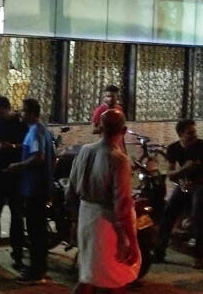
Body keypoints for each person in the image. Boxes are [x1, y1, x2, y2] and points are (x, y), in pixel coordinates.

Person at [67, 109, 140, 293]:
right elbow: (122, 203)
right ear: (123, 131)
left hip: (86, 217)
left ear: (99, 128)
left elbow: (70, 191)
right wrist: (129, 239)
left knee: (89, 277)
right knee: (114, 279)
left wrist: (75, 220)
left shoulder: (85, 151)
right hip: (107, 225)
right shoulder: (118, 159)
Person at [4, 98, 55, 284]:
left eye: (24, 111)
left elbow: (38, 158)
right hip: (39, 187)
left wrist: (17, 166)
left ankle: (36, 271)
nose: (21, 114)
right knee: (38, 231)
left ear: (33, 113)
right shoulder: (42, 131)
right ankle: (40, 268)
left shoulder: (35, 132)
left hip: (35, 189)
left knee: (35, 232)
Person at [155, 119, 203, 268]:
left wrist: (197, 183)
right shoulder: (173, 149)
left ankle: (198, 257)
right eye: (190, 133)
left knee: (197, 214)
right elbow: (170, 174)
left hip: (201, 185)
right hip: (184, 185)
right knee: (168, 211)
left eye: (194, 132)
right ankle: (159, 251)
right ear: (181, 134)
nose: (194, 135)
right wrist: (184, 172)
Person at [0, 96, 28, 269]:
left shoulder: (20, 123)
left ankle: (17, 256)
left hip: (15, 175)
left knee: (17, 217)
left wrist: (11, 146)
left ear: (7, 108)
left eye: (0, 112)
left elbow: (27, 146)